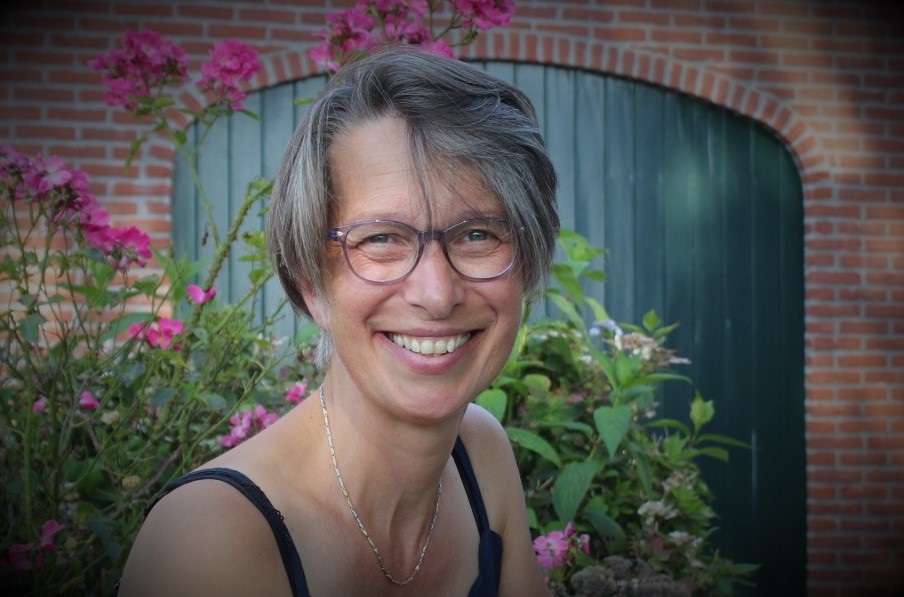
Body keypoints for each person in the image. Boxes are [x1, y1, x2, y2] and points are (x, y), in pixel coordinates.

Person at [117, 44, 559, 596]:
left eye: (477, 234)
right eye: (381, 239)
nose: (437, 294)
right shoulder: (208, 545)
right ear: (310, 282)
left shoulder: (480, 453)